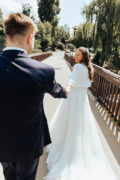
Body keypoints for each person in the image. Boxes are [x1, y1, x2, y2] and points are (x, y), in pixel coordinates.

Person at [0, 13, 67, 180]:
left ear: (7, 36)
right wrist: (68, 91)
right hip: (29, 146)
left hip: (3, 143)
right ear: (30, 39)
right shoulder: (43, 71)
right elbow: (58, 91)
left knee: (8, 176)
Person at [44, 47, 118, 180]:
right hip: (82, 98)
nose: (76, 57)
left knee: (68, 119)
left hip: (73, 97)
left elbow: (72, 79)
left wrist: (67, 89)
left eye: (78, 55)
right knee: (79, 122)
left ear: (83, 56)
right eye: (76, 55)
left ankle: (66, 145)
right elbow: (85, 82)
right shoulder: (89, 68)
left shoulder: (78, 67)